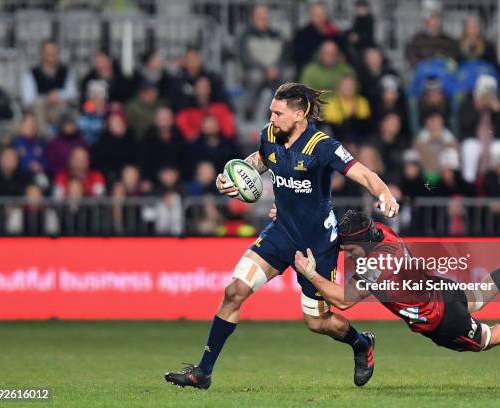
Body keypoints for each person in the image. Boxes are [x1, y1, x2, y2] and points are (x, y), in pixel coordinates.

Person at [165, 82, 400, 389]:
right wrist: (233, 178)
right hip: (281, 232)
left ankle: (361, 344)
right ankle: (203, 372)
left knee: (317, 321)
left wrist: (385, 195)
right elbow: (261, 160)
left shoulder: (322, 146)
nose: (272, 118)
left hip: (317, 244)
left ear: (300, 114)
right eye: (271, 112)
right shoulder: (271, 134)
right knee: (234, 292)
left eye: (278, 113)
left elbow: (365, 174)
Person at [294, 210, 500, 355]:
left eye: (349, 249)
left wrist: (310, 273)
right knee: (482, 292)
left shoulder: (376, 266)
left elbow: (342, 300)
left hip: (441, 318)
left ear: (362, 243)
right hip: (438, 289)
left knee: (488, 338)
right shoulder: (382, 232)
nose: (346, 253)